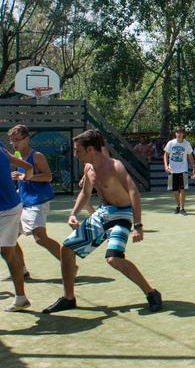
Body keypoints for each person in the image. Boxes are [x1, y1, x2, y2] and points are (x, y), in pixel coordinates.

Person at [43, 129, 161, 314]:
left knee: (114, 258)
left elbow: (134, 193)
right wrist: (73, 213)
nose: (75, 154)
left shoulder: (115, 166)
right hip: (103, 213)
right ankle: (68, 298)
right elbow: (85, 192)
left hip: (122, 214)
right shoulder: (88, 168)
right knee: (66, 249)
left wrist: (138, 226)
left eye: (78, 150)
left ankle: (151, 293)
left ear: (90, 149)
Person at [6, 125, 63, 282]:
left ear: (27, 139)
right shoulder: (17, 156)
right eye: (11, 140)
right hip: (22, 203)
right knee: (8, 238)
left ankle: (69, 264)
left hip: (37, 202)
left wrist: (26, 177)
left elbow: (48, 177)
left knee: (40, 238)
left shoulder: (37, 156)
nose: (14, 143)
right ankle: (21, 271)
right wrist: (18, 188)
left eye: (17, 139)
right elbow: (23, 180)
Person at [0, 144, 35, 311]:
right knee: (8, 252)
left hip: (6, 209)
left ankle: (21, 297)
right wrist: (26, 177)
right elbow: (28, 167)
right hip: (13, 206)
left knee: (8, 252)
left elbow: (27, 167)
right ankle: (21, 298)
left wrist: (25, 180)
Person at [164, 126, 195, 215]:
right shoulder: (171, 143)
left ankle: (182, 208)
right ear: (175, 133)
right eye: (177, 132)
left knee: (182, 189)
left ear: (183, 134)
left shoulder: (187, 144)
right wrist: (166, 166)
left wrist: (193, 168)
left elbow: (190, 156)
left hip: (183, 170)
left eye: (181, 132)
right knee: (175, 190)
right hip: (172, 170)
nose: (179, 134)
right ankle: (178, 206)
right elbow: (165, 155)